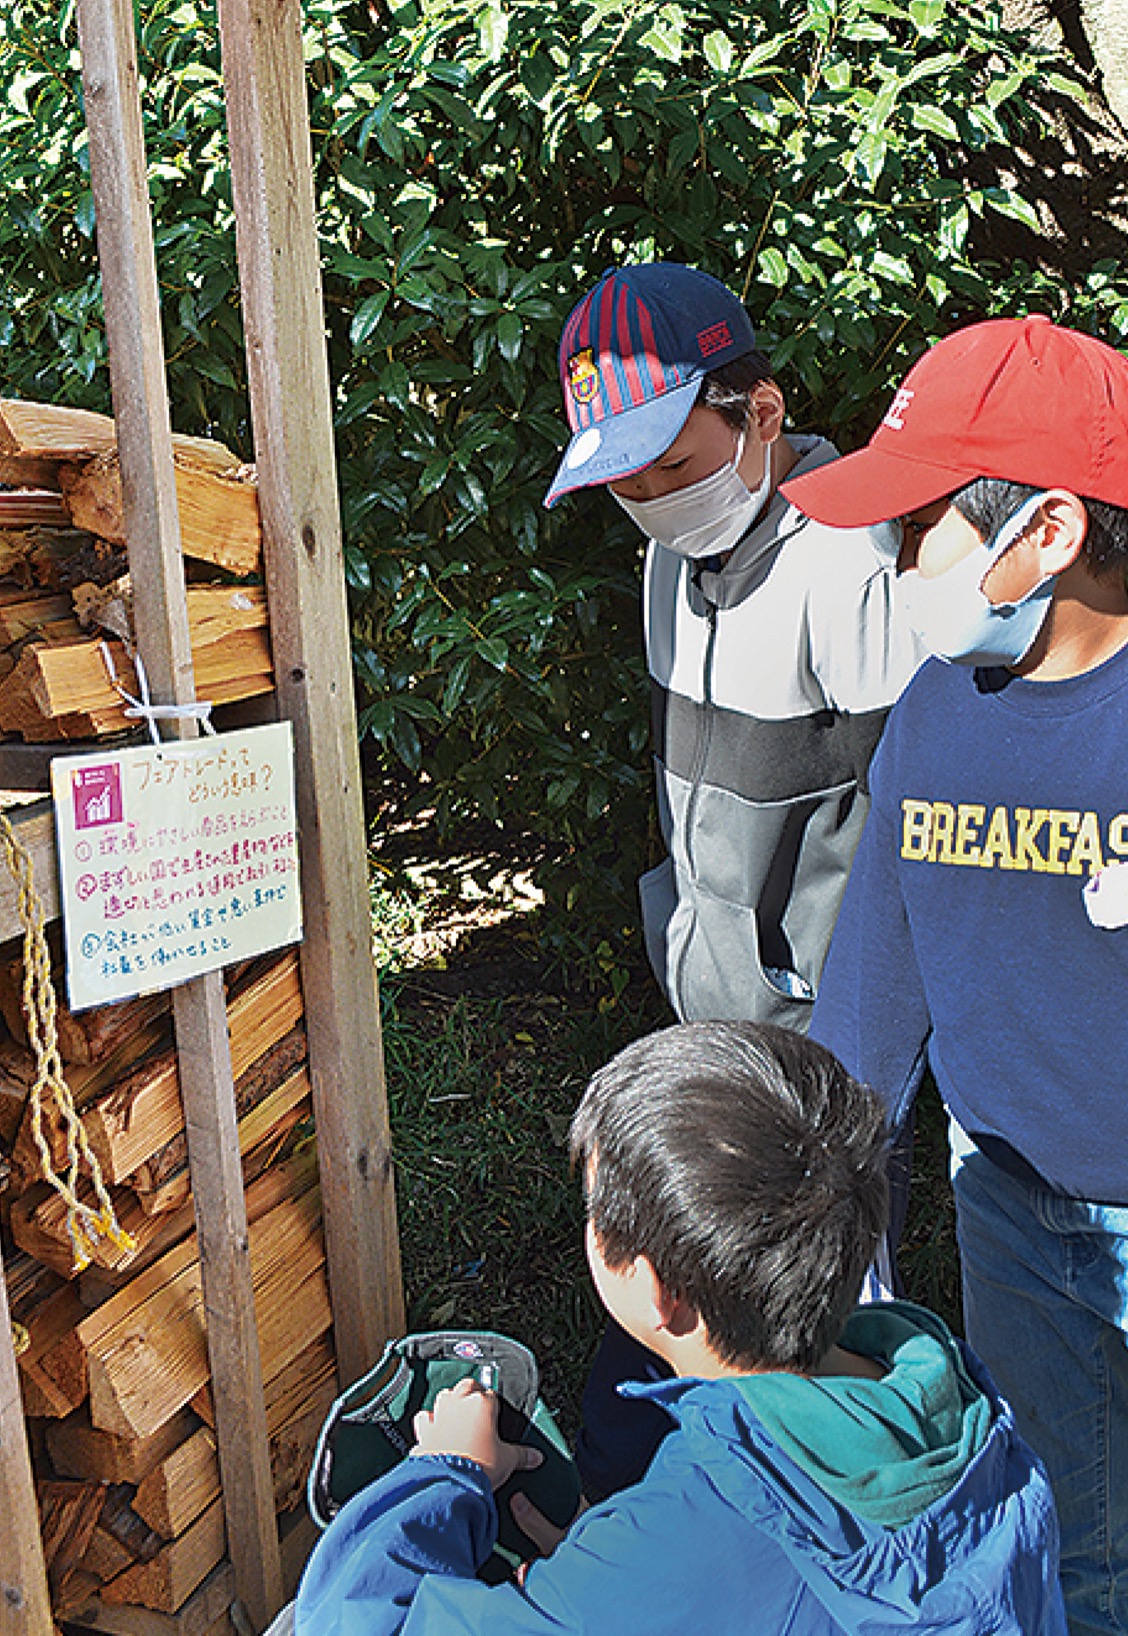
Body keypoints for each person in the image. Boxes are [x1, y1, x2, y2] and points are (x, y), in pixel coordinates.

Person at [294, 1022, 1063, 1636]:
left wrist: (445, 1472)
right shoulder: (950, 1402)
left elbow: (354, 1621)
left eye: (594, 1211)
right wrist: (608, 1580)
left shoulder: (687, 1545)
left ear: (657, 1290)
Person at [782, 313, 1128, 1636]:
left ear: (1047, 532)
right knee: (1065, 1535)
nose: (895, 561)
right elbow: (879, 975)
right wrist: (832, 1206)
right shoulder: (938, 705)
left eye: (918, 526)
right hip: (1016, 1216)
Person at [544, 261, 925, 1030]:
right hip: (708, 996)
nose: (653, 502)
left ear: (763, 413)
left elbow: (906, 818)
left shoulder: (848, 559)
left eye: (674, 467)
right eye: (626, 484)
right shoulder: (673, 552)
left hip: (818, 1021)